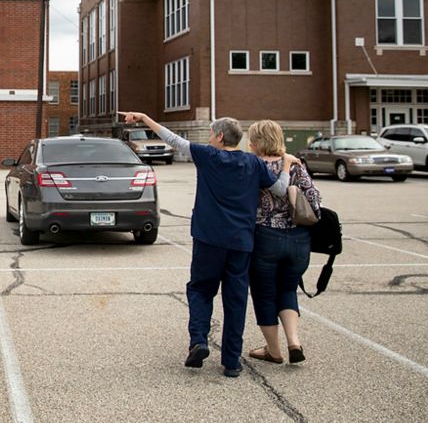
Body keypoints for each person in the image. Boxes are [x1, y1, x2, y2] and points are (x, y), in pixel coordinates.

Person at [118, 111, 293, 377]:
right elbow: (280, 189)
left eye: (212, 134)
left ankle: (199, 340)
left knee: (200, 289)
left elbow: (173, 140)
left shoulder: (208, 156)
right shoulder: (252, 163)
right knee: (236, 300)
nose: (210, 138)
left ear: (220, 136)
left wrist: (144, 118)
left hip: (208, 239)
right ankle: (232, 362)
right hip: (241, 241)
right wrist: (288, 166)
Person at [245, 120, 320, 366]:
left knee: (264, 294)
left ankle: (274, 351)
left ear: (256, 141)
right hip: (299, 238)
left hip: (265, 236)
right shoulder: (297, 164)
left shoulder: (252, 166)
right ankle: (294, 342)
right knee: (287, 289)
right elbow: (315, 199)